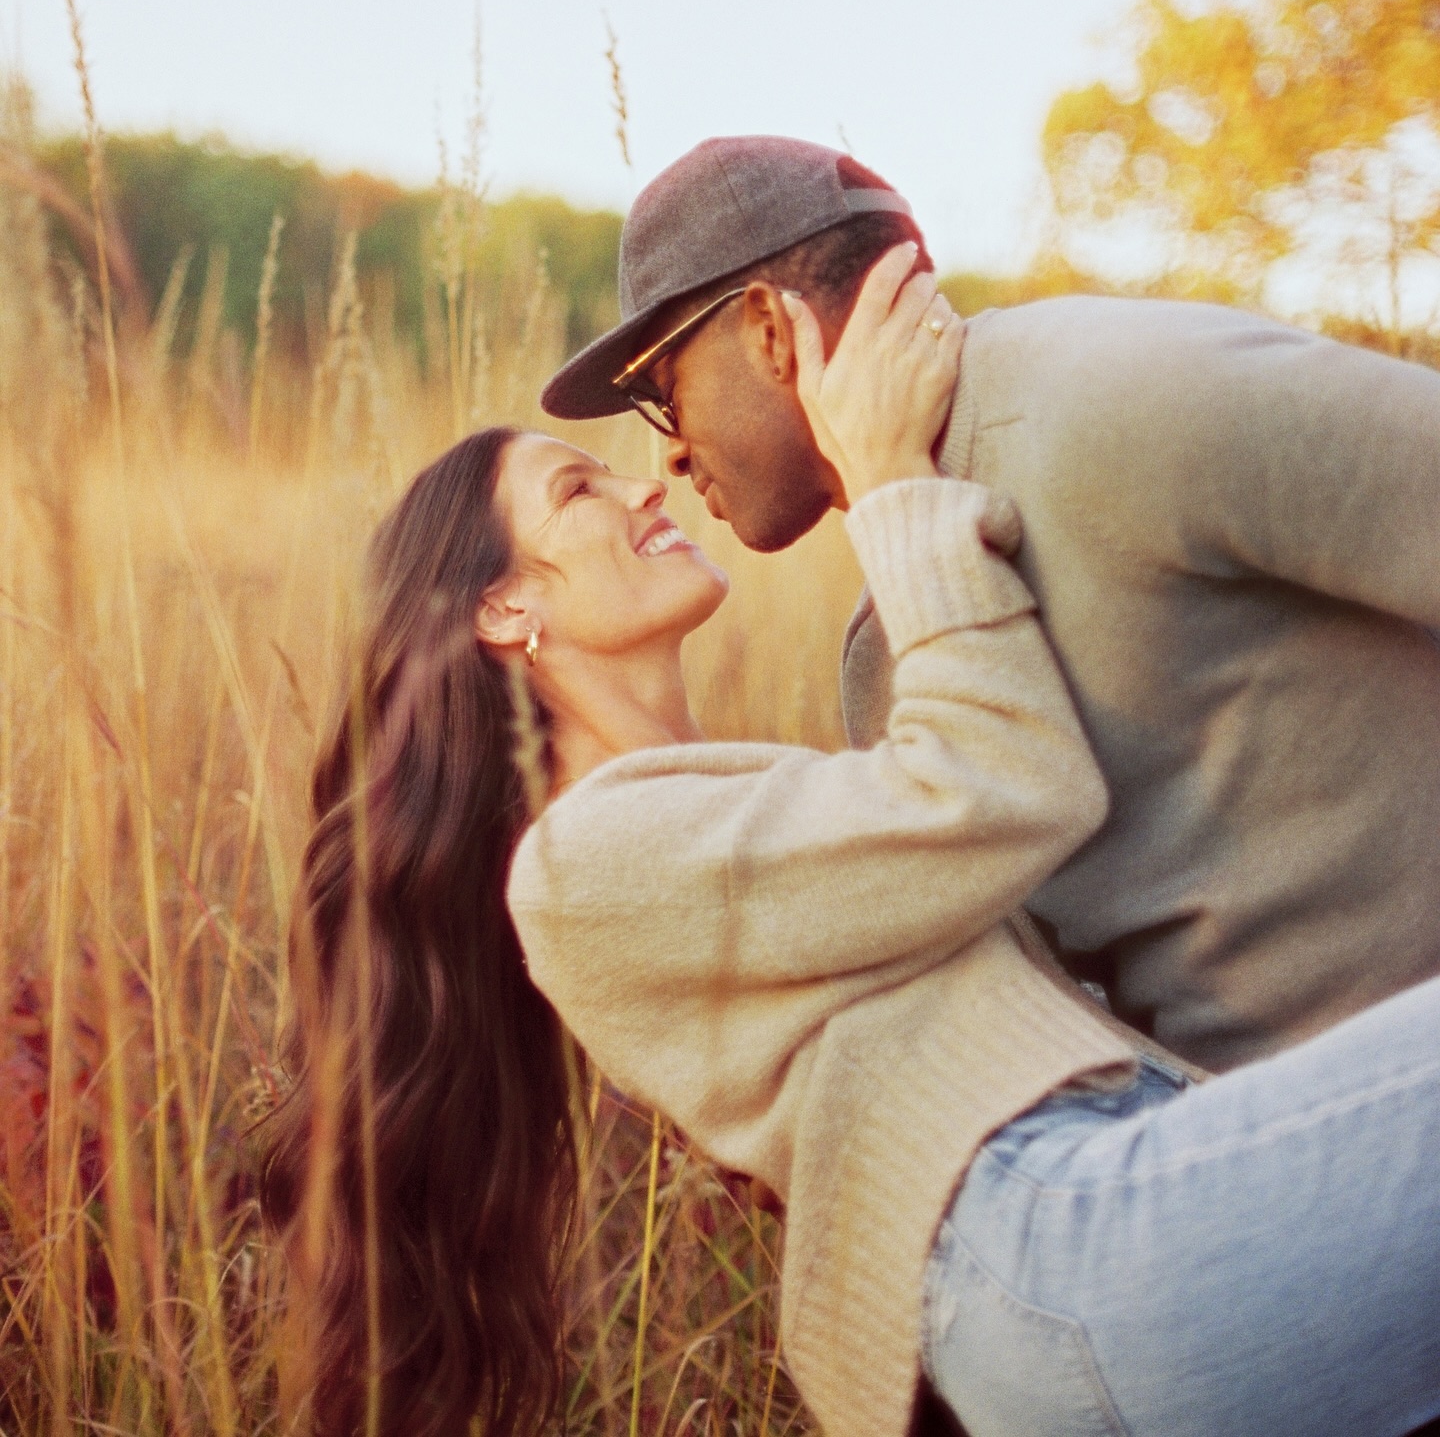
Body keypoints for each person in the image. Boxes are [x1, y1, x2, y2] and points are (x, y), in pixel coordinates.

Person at [261, 249, 1440, 1437]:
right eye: (579, 493)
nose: (646, 488)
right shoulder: (577, 871)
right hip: (1069, 1247)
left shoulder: (713, 806)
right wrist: (888, 486)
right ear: (505, 607)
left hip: (1099, 1238)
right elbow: (998, 786)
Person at [540, 134, 1440, 1074]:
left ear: (768, 330)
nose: (671, 454)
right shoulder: (899, 636)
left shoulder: (1121, 400)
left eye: (660, 391)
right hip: (1219, 1169)